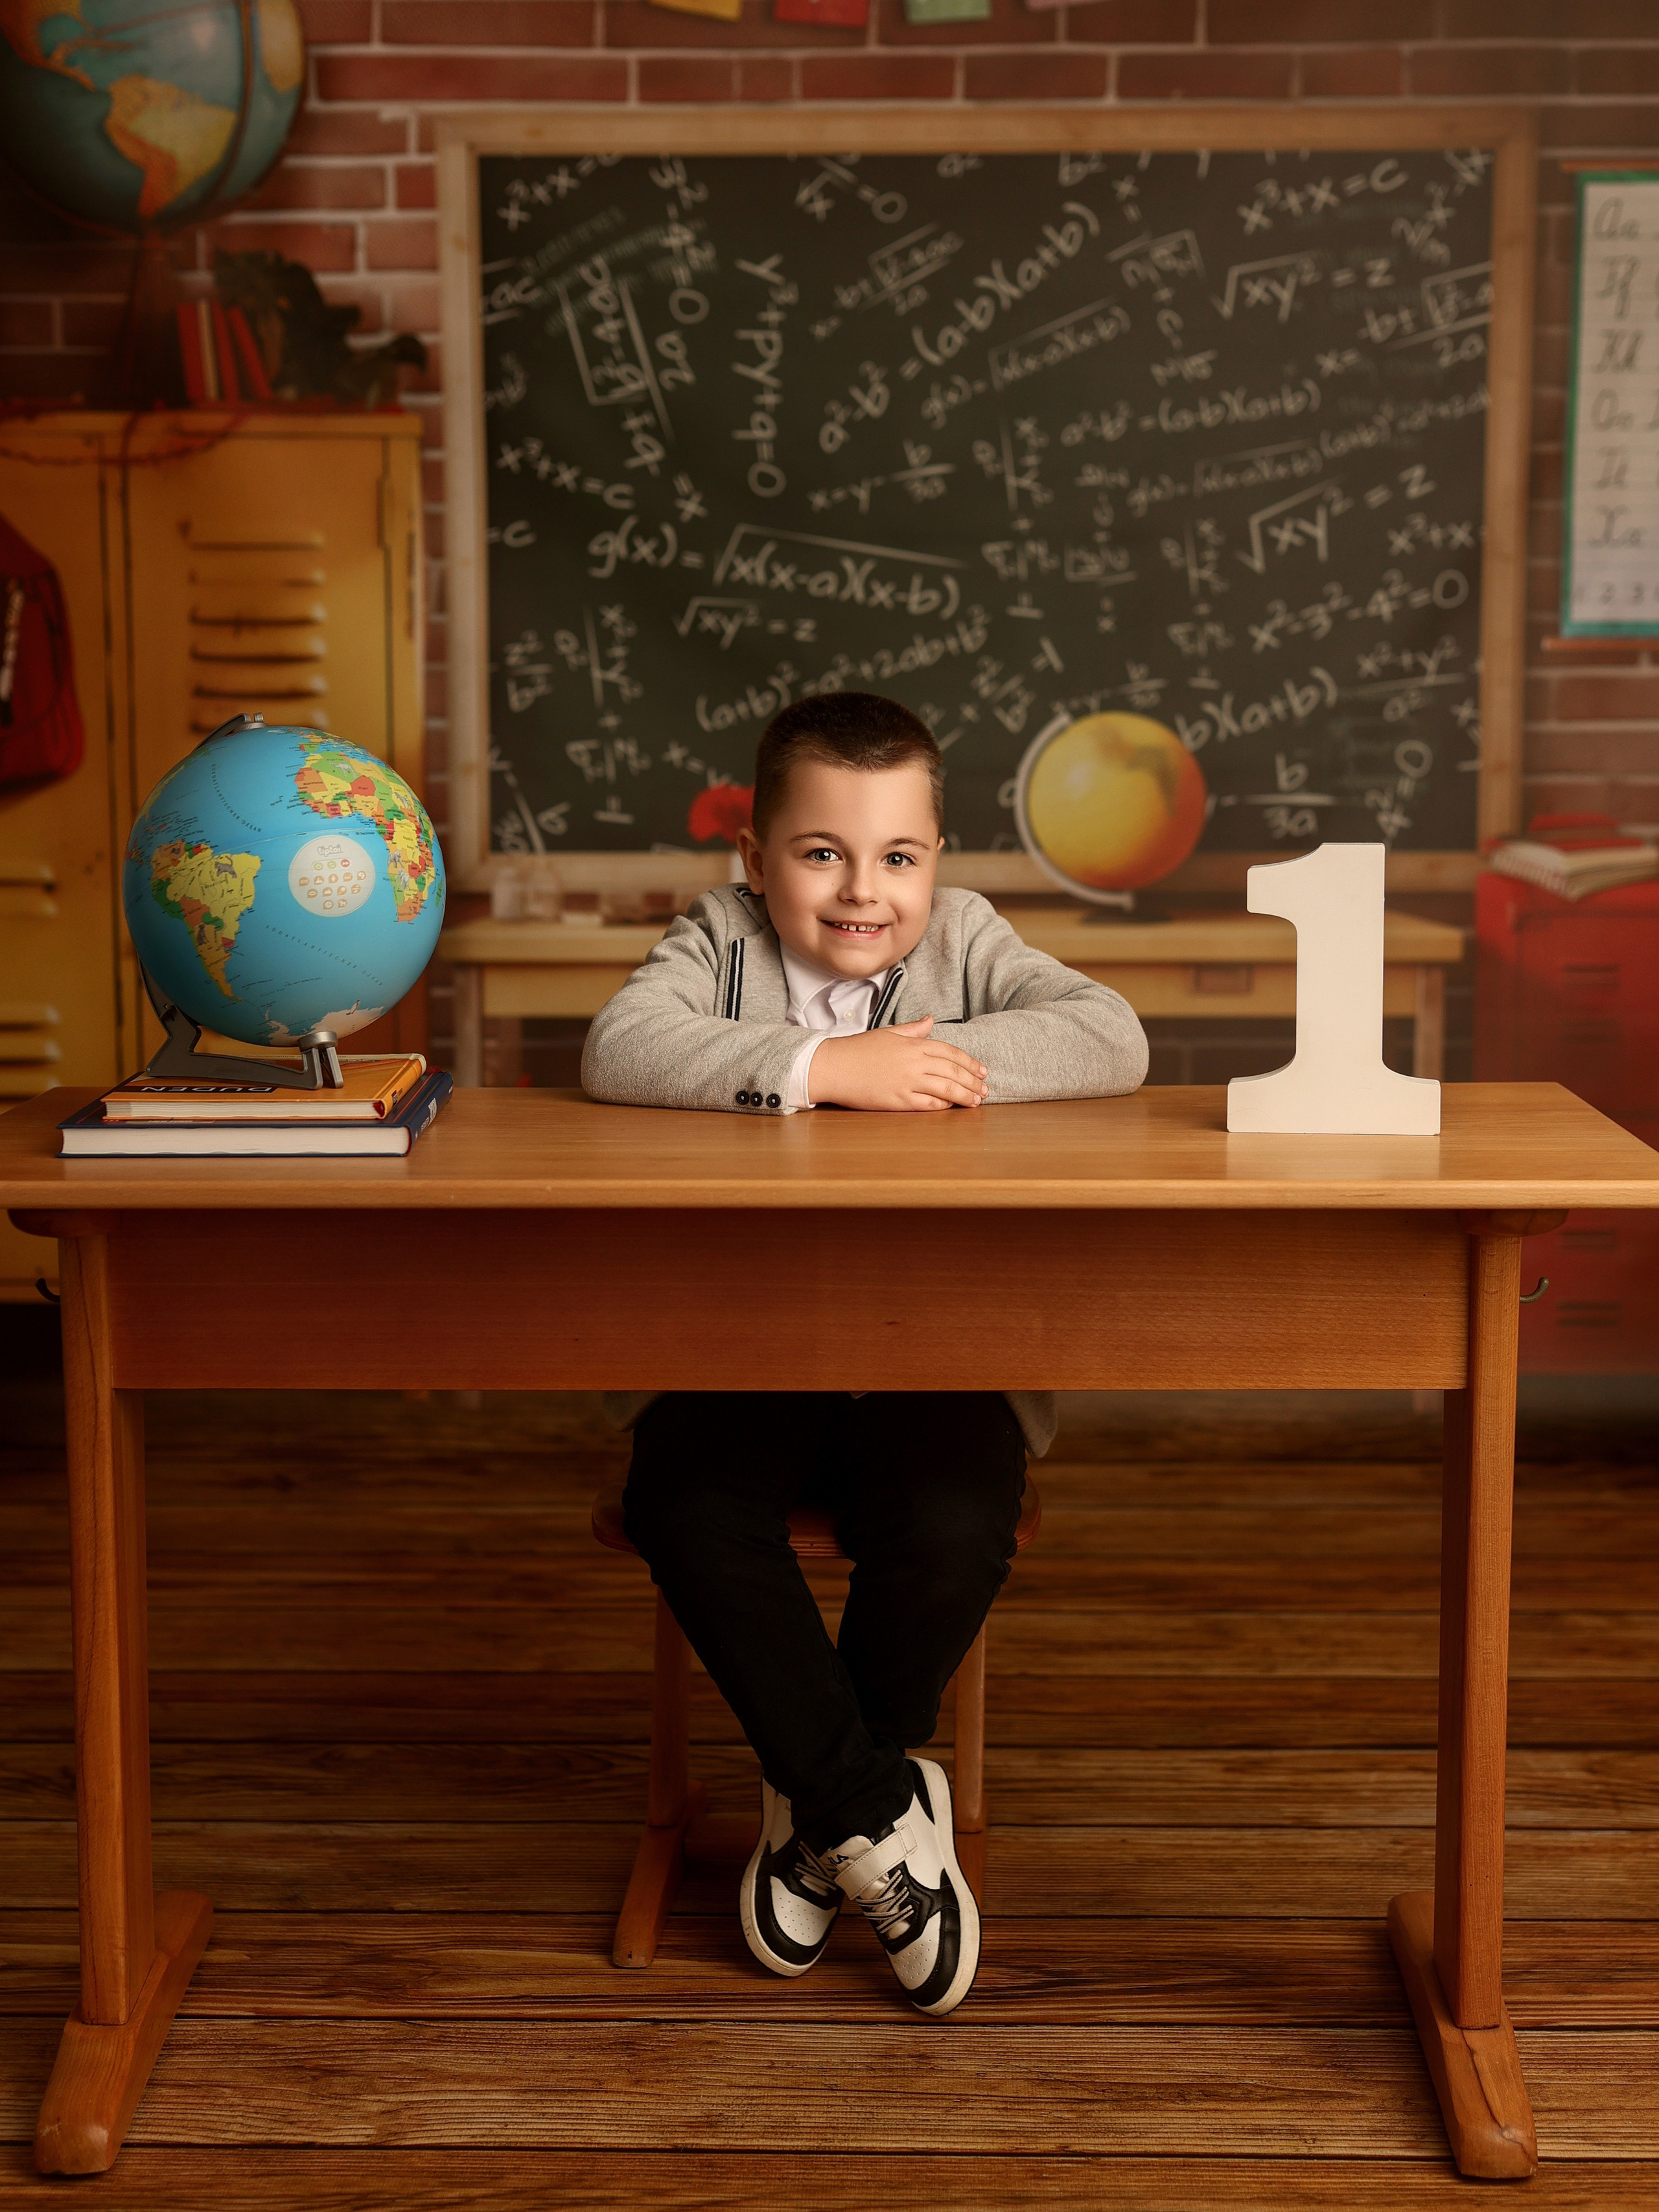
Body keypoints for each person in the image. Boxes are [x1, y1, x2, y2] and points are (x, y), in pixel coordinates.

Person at [582, 692, 1147, 2017]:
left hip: (933, 1344)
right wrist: (826, 1066)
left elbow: (1107, 1037)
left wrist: (923, 1060)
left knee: (953, 1519)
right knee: (682, 1502)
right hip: (735, 1343)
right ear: (755, 861)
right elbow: (622, 1047)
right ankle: (879, 1816)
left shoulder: (965, 938)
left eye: (897, 856)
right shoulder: (713, 939)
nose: (860, 893)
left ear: (936, 864)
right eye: (820, 853)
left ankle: (817, 1808)